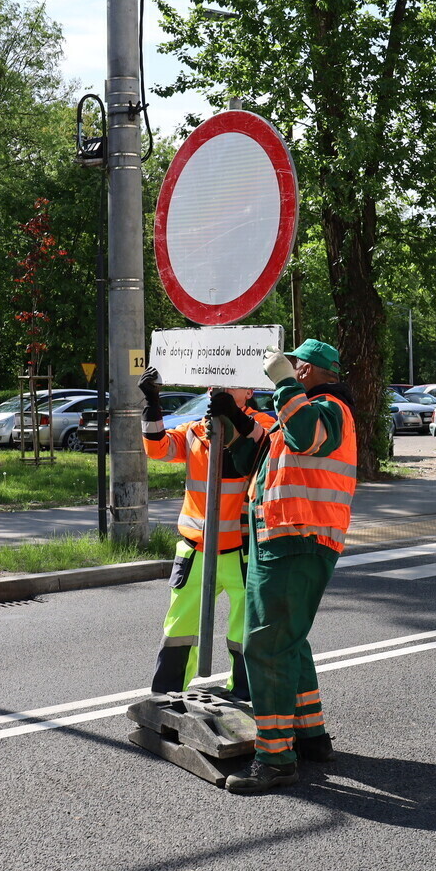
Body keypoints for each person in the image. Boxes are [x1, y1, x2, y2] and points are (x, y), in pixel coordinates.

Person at [217, 338, 357, 795]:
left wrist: (280, 382)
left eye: (296, 365)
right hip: (285, 538)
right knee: (289, 640)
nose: (290, 370)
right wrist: (235, 418)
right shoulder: (299, 409)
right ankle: (310, 736)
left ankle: (275, 758)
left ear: (310, 371)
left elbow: (305, 435)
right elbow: (253, 458)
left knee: (266, 646)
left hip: (296, 538)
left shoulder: (330, 408)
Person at [140, 367, 276, 698]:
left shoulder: (265, 426)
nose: (226, 389)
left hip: (243, 552)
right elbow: (158, 448)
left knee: (246, 632)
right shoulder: (195, 431)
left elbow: (265, 450)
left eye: (236, 383)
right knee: (179, 630)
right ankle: (166, 697)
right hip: (197, 550)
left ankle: (246, 697)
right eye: (220, 382)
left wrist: (235, 420)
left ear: (249, 393)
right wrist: (151, 402)